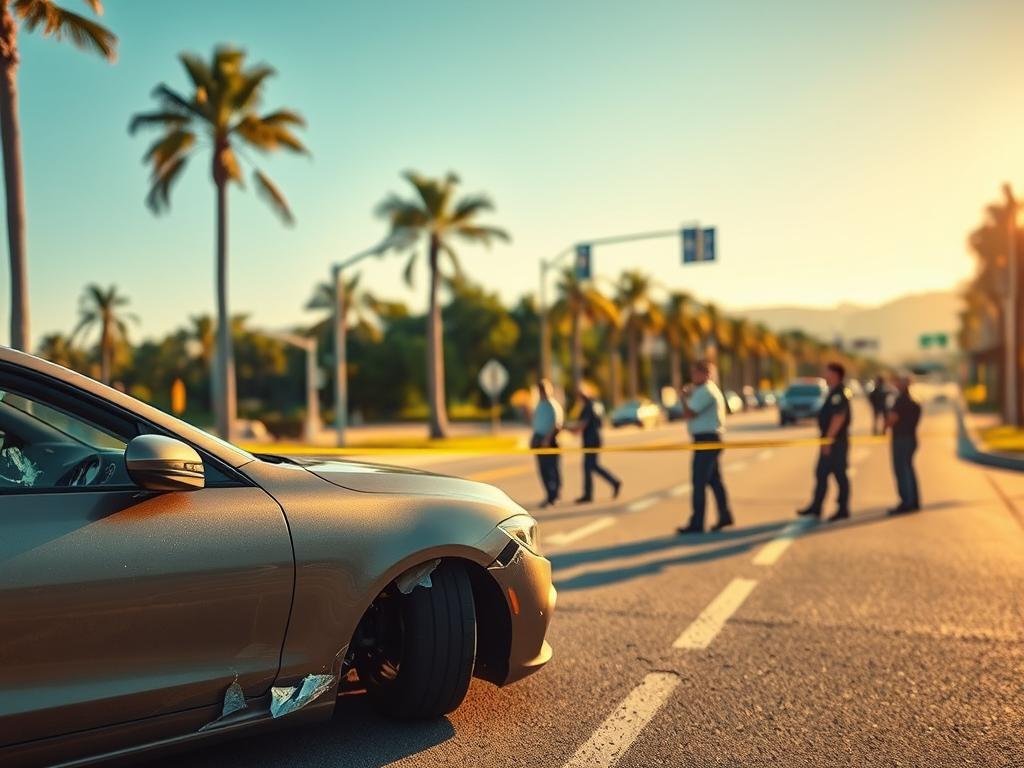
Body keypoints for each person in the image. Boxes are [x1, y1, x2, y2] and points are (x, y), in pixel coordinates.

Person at [677, 360, 734, 534]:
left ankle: (697, 521)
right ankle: (725, 515)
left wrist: (683, 397)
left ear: (705, 374)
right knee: (714, 481)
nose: (693, 376)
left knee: (699, 481)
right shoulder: (704, 390)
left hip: (707, 439)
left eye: (696, 373)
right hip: (707, 439)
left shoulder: (706, 391)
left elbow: (689, 413)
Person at [797, 362, 852, 522]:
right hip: (830, 441)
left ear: (835, 375)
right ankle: (816, 506)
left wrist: (828, 440)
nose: (825, 375)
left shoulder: (839, 394)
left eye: (828, 373)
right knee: (821, 473)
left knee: (839, 474)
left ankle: (843, 508)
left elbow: (838, 417)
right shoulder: (833, 392)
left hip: (835, 442)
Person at [570, 383, 622, 503]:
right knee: (591, 466)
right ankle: (591, 492)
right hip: (595, 438)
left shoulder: (588, 406)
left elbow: (583, 424)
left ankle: (612, 483)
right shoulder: (595, 404)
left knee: (590, 466)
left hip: (591, 440)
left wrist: (572, 430)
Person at [886, 374, 921, 514]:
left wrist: (885, 426)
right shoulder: (915, 399)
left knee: (902, 471)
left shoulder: (900, 400)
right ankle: (913, 501)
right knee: (909, 470)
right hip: (911, 438)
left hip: (901, 439)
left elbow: (892, 419)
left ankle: (906, 502)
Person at [531, 379, 563, 508]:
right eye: (540, 389)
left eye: (544, 389)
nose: (542, 392)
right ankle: (549, 495)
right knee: (543, 470)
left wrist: (547, 439)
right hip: (539, 440)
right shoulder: (540, 404)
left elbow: (557, 425)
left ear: (550, 390)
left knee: (551, 470)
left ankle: (554, 496)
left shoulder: (552, 405)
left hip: (549, 441)